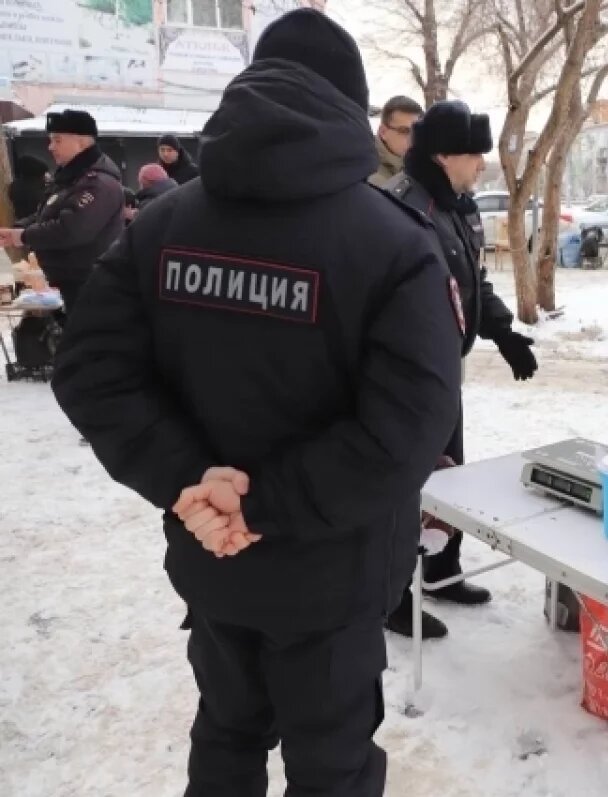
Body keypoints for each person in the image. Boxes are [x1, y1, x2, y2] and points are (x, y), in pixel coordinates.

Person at [50, 10, 462, 795]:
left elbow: (90, 371)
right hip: (331, 576)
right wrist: (257, 503)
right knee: (330, 767)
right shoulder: (395, 243)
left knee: (226, 738)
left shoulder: (161, 225)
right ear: (352, 108)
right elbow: (408, 428)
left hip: (212, 559)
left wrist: (193, 485)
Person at [381, 99, 538, 640]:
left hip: (445, 368)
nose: (482, 166)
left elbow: (472, 283)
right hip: (406, 376)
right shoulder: (402, 209)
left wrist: (504, 332)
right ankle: (393, 594)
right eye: (475, 156)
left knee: (454, 476)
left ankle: (443, 571)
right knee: (406, 485)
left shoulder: (456, 205)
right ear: (446, 155)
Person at [0, 110, 124, 313]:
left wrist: (22, 235)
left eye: (57, 141)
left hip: (90, 286)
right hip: (70, 283)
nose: (50, 147)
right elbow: (48, 213)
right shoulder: (71, 177)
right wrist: (17, 229)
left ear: (81, 142)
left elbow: (71, 229)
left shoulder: (98, 183)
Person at [369, 95, 423, 187]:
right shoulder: (371, 178)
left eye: (416, 132)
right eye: (404, 131)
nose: (412, 139)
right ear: (383, 132)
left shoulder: (418, 168)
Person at [8, 154, 50, 221]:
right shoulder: (40, 192)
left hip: (20, 223)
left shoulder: (14, 186)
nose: (47, 176)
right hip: (37, 226)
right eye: (44, 173)